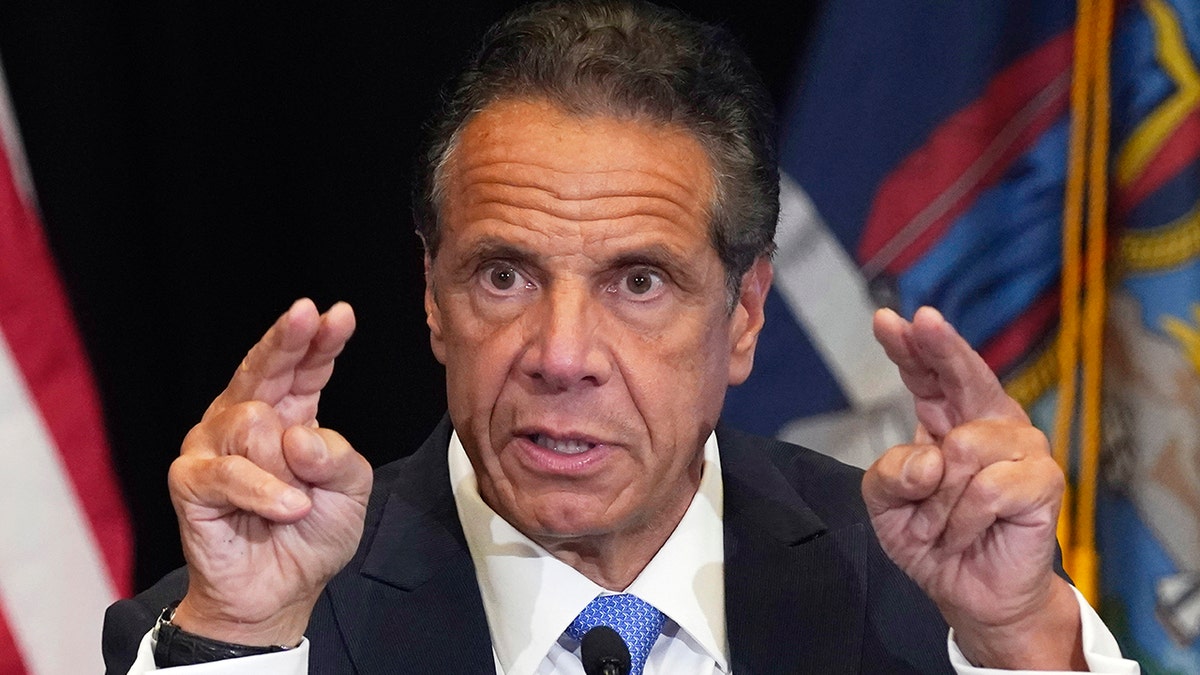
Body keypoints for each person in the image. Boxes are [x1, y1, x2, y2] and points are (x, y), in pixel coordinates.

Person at [103, 1, 1139, 673]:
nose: (561, 354)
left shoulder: (924, 601)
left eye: (638, 282)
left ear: (743, 317)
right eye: (504, 275)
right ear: (431, 297)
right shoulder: (246, 623)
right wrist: (240, 638)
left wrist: (1021, 640)